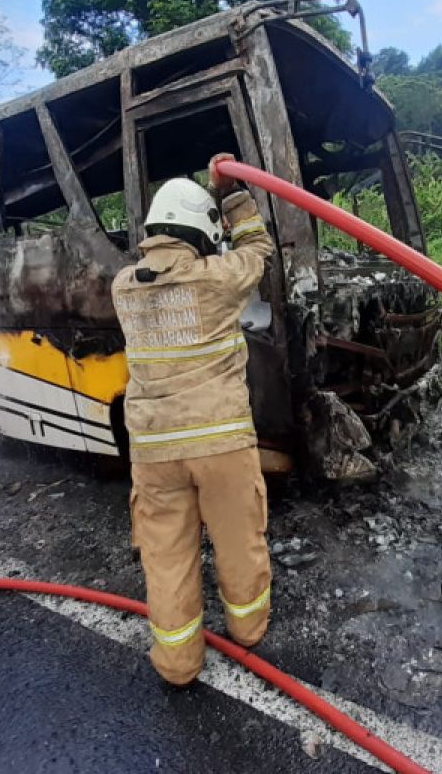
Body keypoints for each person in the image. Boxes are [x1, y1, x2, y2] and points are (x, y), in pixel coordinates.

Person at [111, 153, 274, 686]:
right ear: (201, 232)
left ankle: (178, 664)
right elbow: (257, 248)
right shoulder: (218, 278)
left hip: (154, 450)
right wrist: (231, 192)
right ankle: (247, 632)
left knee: (166, 553)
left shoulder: (122, 286)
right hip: (221, 443)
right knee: (237, 540)